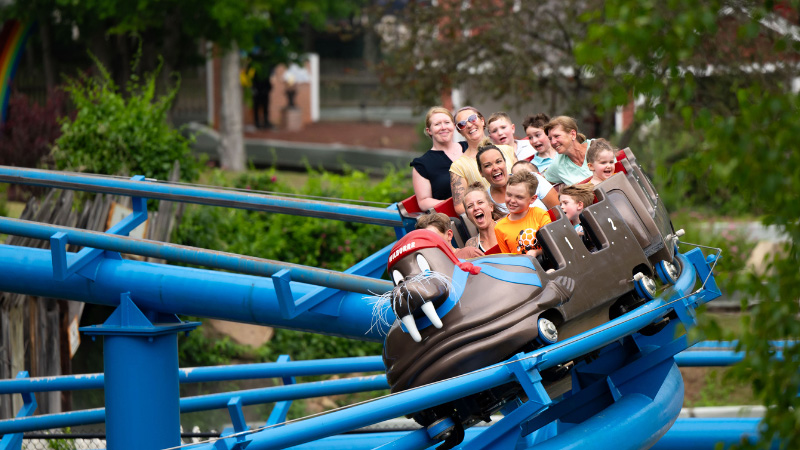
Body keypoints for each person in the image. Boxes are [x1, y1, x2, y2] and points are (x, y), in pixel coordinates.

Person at [450, 107, 517, 215]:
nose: (469, 125)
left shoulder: (507, 150)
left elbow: (522, 179)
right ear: (460, 131)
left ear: (482, 121)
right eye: (462, 124)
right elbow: (460, 206)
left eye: (472, 118)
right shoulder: (458, 166)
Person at [411, 107, 468, 210]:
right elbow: (424, 202)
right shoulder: (422, 164)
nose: (443, 127)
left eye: (447, 122)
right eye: (437, 124)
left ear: (454, 126)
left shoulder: (468, 147)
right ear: (429, 131)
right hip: (451, 219)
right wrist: (457, 204)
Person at [494, 172, 552, 255]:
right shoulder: (500, 227)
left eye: (519, 197)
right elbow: (508, 259)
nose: (512, 200)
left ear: (532, 199)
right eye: (509, 195)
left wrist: (536, 252)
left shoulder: (540, 214)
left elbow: (553, 246)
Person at [543, 116, 594, 185]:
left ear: (572, 134)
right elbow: (540, 185)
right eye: (550, 138)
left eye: (556, 136)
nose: (553, 142)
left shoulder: (596, 146)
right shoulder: (558, 165)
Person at [415, 212, 484, 259]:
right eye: (425, 240)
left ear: (449, 235)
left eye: (434, 237)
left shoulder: (469, 253)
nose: (430, 243)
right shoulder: (429, 269)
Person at [462, 182, 504, 252]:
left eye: (480, 202)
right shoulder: (471, 246)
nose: (476, 208)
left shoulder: (506, 224)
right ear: (467, 215)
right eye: (470, 206)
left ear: (491, 207)